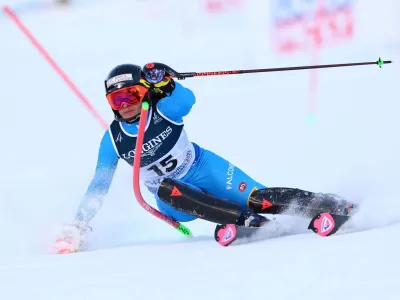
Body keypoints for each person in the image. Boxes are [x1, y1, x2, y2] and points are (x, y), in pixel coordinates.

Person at [55, 63, 353, 253]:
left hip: (203, 167)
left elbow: (187, 100)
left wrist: (167, 82)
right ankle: (249, 223)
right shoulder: (112, 140)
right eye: (117, 100)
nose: (126, 105)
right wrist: (78, 225)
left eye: (131, 95)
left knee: (257, 197)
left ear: (144, 92)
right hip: (175, 200)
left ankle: (329, 205)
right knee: (164, 187)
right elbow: (99, 184)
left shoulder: (162, 110)